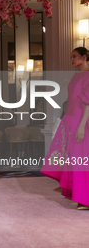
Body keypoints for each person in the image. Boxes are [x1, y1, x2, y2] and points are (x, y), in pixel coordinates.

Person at [41, 47, 89, 210]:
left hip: (80, 121)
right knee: (70, 160)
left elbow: (88, 103)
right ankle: (77, 194)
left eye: (75, 57)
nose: (72, 60)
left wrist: (82, 125)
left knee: (79, 160)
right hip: (69, 120)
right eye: (70, 57)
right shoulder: (76, 76)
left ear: (84, 57)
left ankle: (85, 199)